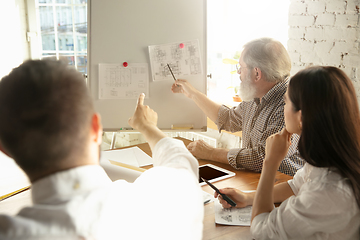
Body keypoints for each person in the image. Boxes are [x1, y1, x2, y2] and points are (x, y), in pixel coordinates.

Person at [0, 60, 204, 240]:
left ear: (4, 150)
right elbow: (182, 163)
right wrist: (147, 126)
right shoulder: (168, 201)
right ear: (96, 128)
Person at [216, 66, 360, 239]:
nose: (283, 109)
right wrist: (248, 198)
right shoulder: (331, 159)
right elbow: (295, 186)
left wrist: (270, 162)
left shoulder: (327, 191)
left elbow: (260, 229)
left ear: (301, 117)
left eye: (286, 102)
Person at [171, 37, 304, 176]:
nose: (238, 72)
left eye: (241, 67)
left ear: (256, 73)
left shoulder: (289, 103)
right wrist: (192, 94)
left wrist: (211, 152)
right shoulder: (256, 94)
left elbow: (262, 158)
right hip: (256, 179)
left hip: (284, 187)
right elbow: (229, 120)